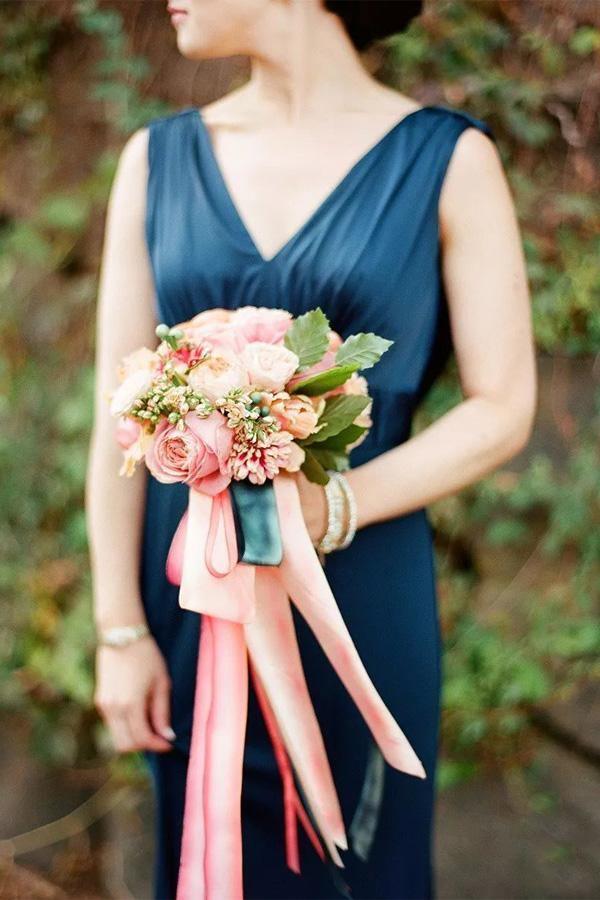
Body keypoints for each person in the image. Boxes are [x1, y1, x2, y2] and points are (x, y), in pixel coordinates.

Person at [85, 1, 537, 897]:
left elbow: (503, 404)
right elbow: (115, 411)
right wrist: (118, 629)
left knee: (365, 864)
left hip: (361, 586)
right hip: (189, 593)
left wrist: (336, 505)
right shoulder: (155, 160)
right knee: (210, 852)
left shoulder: (448, 161)